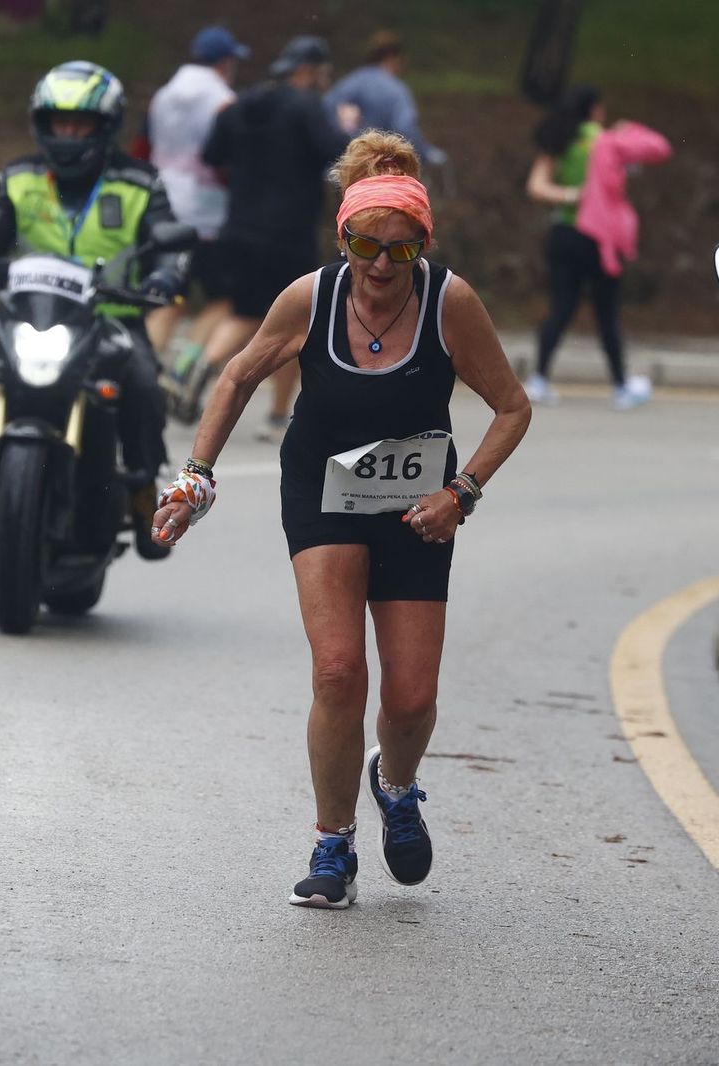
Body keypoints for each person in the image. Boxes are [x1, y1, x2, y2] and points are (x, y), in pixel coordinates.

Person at [150, 132, 531, 908]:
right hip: (322, 491)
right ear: (343, 238)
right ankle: (334, 844)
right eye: (365, 245)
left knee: (413, 697)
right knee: (336, 670)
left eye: (400, 249)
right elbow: (236, 376)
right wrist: (196, 478)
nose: (382, 266)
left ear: (425, 242)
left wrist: (462, 493)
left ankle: (395, 785)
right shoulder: (311, 298)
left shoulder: (450, 302)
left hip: (418, 508)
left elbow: (512, 409)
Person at [0, 62, 186, 559]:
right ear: (42, 124)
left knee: (141, 383)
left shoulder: (140, 182)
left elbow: (168, 243)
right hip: (24, 313)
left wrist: (165, 275)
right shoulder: (18, 178)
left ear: (106, 126)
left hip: (109, 316)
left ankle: (140, 488)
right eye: (59, 122)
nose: (68, 134)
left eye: (81, 123)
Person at [175, 34, 351, 441]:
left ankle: (198, 361)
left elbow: (211, 154)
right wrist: (345, 125)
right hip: (287, 232)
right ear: (307, 70)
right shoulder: (307, 106)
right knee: (299, 321)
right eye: (324, 73)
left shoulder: (243, 104)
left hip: (238, 227)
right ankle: (276, 415)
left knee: (243, 310)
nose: (325, 81)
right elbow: (338, 152)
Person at [524, 85, 667, 411]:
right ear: (595, 110)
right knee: (606, 313)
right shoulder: (605, 140)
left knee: (560, 308)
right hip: (599, 238)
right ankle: (620, 386)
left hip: (563, 233)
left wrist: (573, 195)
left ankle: (539, 379)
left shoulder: (560, 139)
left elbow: (536, 186)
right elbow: (656, 150)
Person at [145, 25, 247, 368]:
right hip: (207, 213)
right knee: (225, 299)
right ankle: (183, 366)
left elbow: (145, 144)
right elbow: (226, 158)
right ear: (225, 62)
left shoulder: (163, 95)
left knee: (168, 297)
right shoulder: (223, 101)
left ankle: (143, 363)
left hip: (160, 206)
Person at [324, 30, 446, 167]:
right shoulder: (396, 90)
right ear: (392, 57)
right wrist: (425, 154)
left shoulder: (348, 83)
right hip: (380, 169)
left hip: (345, 166)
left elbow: (325, 113)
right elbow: (406, 128)